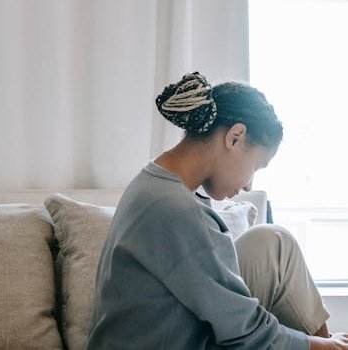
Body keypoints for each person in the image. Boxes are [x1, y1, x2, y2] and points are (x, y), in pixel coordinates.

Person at [87, 72, 348, 349]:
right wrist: (315, 345)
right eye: (256, 167)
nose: (249, 186)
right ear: (235, 137)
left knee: (274, 242)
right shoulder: (176, 209)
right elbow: (245, 331)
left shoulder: (155, 182)